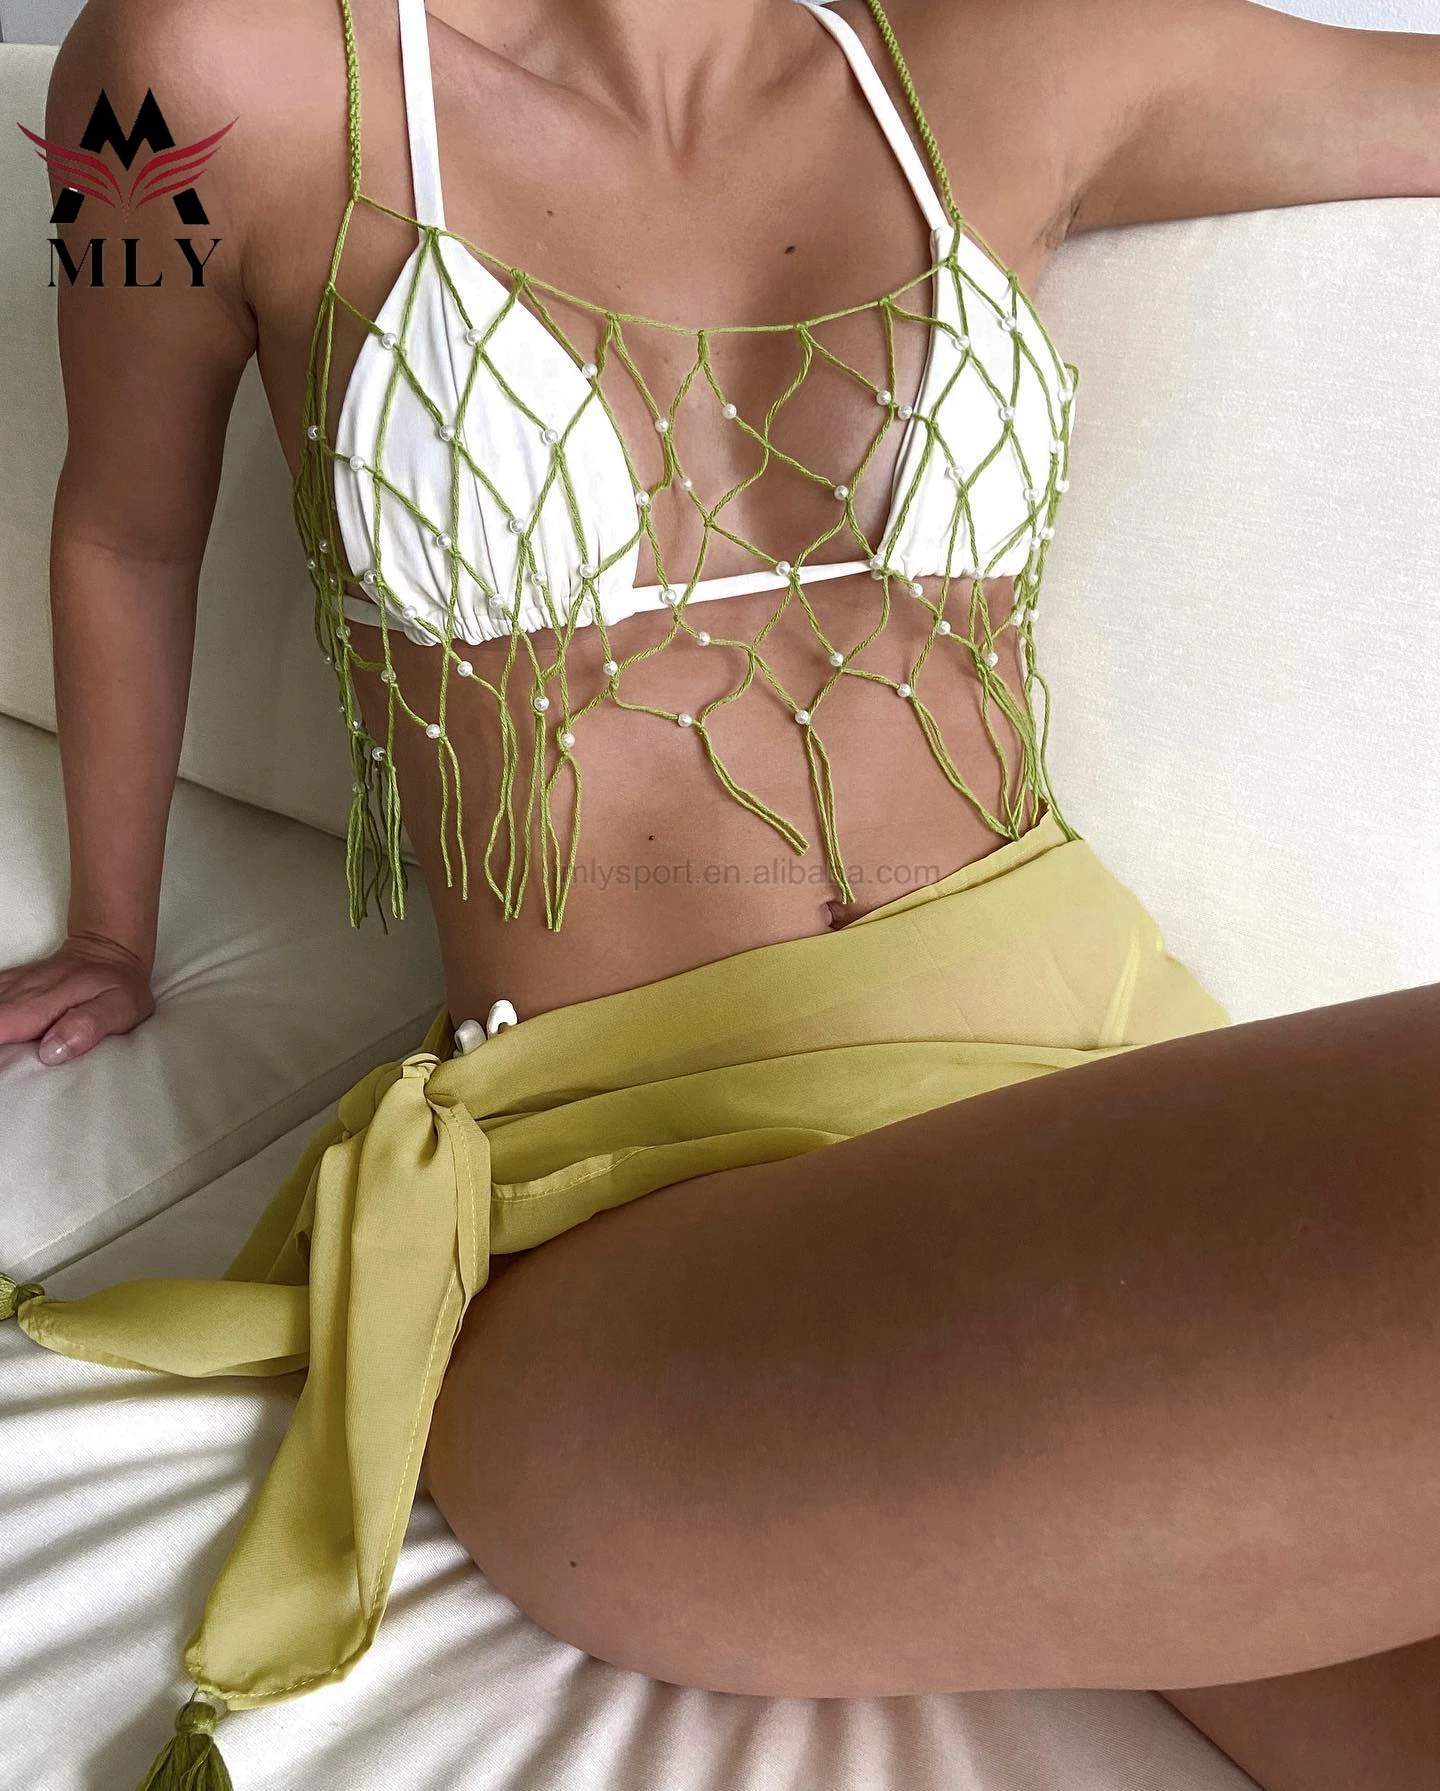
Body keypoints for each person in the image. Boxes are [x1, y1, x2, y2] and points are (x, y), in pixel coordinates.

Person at [1, 0, 1437, 1786]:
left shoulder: (1019, 48)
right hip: (632, 1179)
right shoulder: (195, 68)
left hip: (1098, 1061)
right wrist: (111, 928)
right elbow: (125, 528)